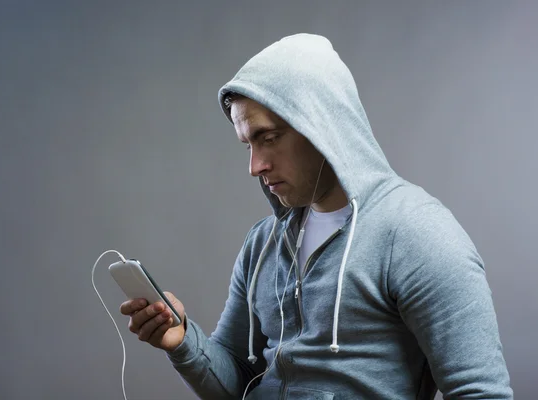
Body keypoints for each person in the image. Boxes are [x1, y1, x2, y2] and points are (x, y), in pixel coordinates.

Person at [119, 33, 513, 399]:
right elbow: (237, 380)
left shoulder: (416, 234)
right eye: (247, 146)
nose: (255, 166)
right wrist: (182, 339)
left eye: (268, 138)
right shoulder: (264, 243)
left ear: (321, 124)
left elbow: (481, 392)